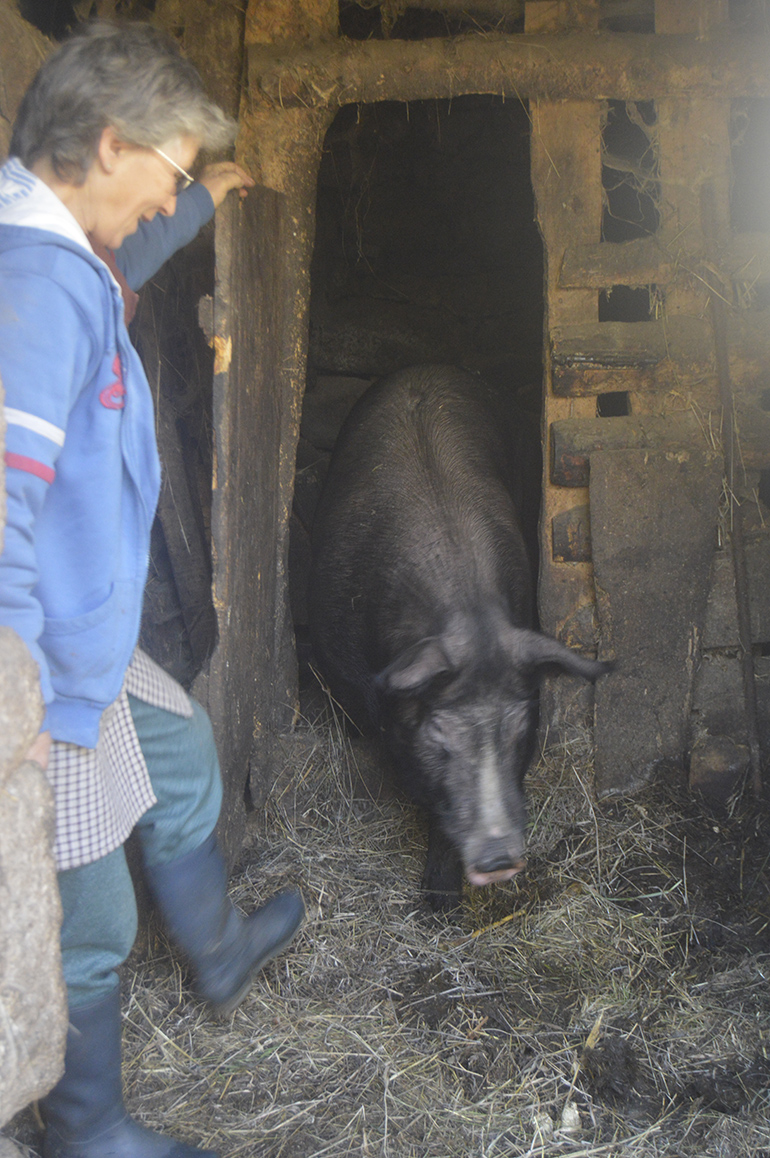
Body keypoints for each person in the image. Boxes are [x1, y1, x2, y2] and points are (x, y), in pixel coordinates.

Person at [0, 21, 304, 1158]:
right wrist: (15, 711)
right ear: (112, 142)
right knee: (90, 921)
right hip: (35, 671)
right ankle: (88, 1127)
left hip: (80, 634)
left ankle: (218, 953)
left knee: (180, 751)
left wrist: (197, 203)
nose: (167, 192)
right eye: (169, 170)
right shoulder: (31, 288)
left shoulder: (63, 259)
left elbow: (116, 263)